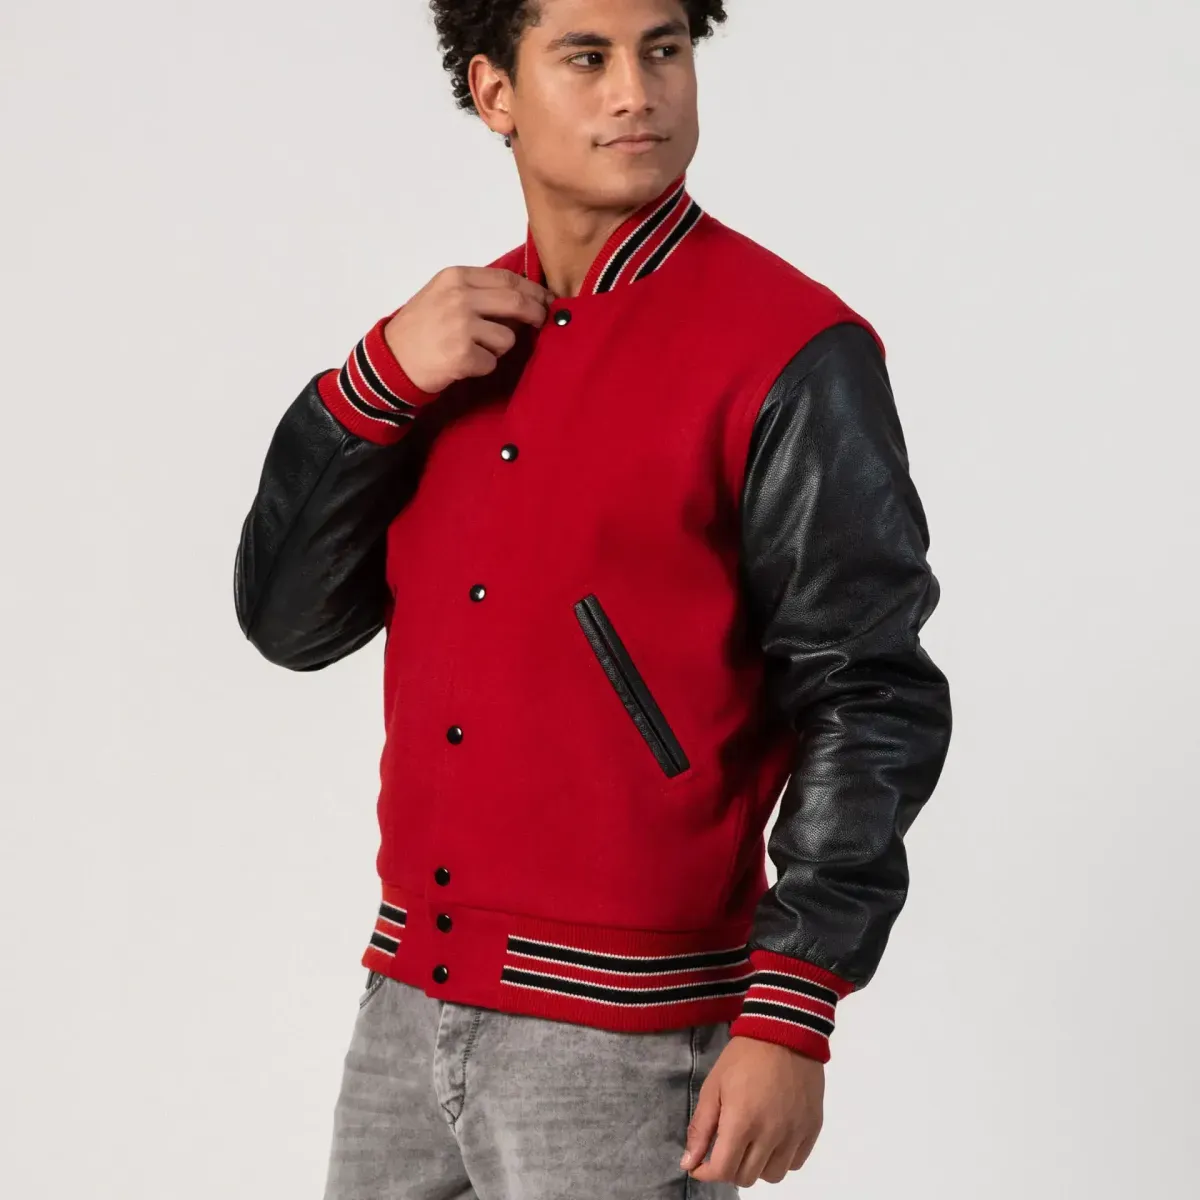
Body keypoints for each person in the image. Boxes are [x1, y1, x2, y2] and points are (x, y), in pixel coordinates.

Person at [232, 1, 953, 1194]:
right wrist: (374, 384)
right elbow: (289, 624)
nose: (638, 91)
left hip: (628, 1040)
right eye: (588, 56)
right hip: (405, 1003)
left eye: (663, 50)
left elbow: (870, 691)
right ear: (495, 92)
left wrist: (793, 1004)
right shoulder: (446, 347)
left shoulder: (790, 348)